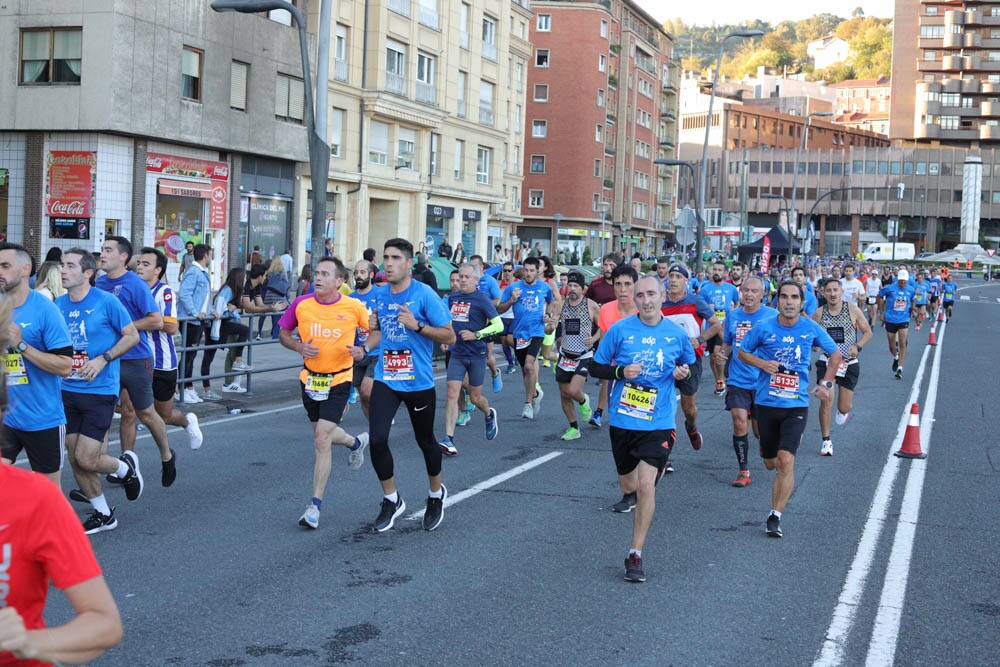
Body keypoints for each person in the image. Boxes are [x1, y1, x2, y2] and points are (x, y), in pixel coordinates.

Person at [591, 275, 696, 582]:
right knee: (629, 486)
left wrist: (682, 372)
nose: (646, 300)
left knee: (646, 485)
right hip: (623, 420)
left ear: (663, 296)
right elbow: (596, 366)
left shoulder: (675, 334)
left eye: (652, 294)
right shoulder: (620, 330)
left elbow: (688, 374)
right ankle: (635, 494)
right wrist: (620, 371)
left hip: (659, 421)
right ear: (633, 299)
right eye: (640, 295)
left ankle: (635, 553)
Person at [737, 280, 841, 538]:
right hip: (766, 403)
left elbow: (836, 354)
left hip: (796, 404)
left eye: (794, 297)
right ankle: (769, 450)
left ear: (802, 301)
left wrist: (826, 383)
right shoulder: (763, 327)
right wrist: (762, 363)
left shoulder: (810, 327)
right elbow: (742, 352)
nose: (789, 302)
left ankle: (775, 515)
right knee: (771, 462)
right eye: (784, 297)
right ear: (777, 301)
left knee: (786, 461)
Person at [277, 257, 373, 530]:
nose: (318, 278)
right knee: (323, 435)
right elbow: (283, 333)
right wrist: (298, 347)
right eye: (316, 273)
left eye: (325, 274)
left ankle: (314, 507)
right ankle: (355, 443)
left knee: (321, 439)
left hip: (340, 380)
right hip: (310, 379)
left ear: (339, 281)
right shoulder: (302, 304)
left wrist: (363, 349)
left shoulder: (353, 306)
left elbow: (373, 330)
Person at [367, 238, 455, 532]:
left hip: (418, 381)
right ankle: (392, 499)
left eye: (394, 258)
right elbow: (381, 334)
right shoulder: (380, 295)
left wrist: (417, 325)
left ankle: (435, 493)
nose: (388, 263)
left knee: (425, 441)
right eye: (385, 257)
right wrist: (371, 334)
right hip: (386, 377)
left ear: (408, 263)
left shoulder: (424, 294)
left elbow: (449, 336)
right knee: (377, 439)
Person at [56, 248, 143, 533]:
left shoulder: (107, 302)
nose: (63, 270)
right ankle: (104, 514)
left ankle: (124, 470)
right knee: (74, 455)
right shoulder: (57, 305)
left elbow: (132, 336)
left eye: (70, 265)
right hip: (66, 389)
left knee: (87, 457)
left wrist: (103, 358)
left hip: (99, 390)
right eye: (62, 265)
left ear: (87, 273)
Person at [97, 236, 176, 488]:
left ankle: (167, 454)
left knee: (145, 412)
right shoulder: (98, 284)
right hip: (107, 360)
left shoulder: (135, 284)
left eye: (108, 250)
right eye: (102, 249)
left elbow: (156, 321)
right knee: (105, 412)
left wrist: (125, 328)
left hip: (135, 357)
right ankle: (122, 467)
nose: (102, 254)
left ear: (123, 257)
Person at [0, 244, 73, 488]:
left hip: (42, 418)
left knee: (48, 495)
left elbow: (65, 366)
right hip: (6, 417)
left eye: (5, 266)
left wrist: (21, 345)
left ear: (25, 270)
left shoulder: (46, 310)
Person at [132, 247, 203, 451]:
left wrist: (138, 324)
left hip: (162, 363)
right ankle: (127, 460)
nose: (140, 267)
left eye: (146, 264)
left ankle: (187, 421)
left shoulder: (165, 292)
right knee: (128, 410)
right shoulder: (133, 289)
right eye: (139, 263)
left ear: (158, 270)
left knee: (165, 414)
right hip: (136, 361)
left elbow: (172, 327)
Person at [712, 275, 778, 487]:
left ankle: (764, 444)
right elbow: (728, 343)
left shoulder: (773, 316)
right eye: (745, 290)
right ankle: (743, 470)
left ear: (763, 295)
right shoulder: (733, 315)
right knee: (739, 421)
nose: (748, 294)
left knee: (760, 432)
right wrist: (722, 353)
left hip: (763, 381)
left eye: (753, 291)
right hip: (738, 379)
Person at [438, 263, 502, 455]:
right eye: (460, 277)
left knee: (475, 397)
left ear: (475, 280)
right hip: (457, 352)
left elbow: (498, 326)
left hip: (476, 354)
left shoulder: (482, 299)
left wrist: (477, 335)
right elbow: (448, 321)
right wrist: (446, 338)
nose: (462, 280)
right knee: (451, 393)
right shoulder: (453, 298)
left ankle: (489, 413)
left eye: (466, 277)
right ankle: (448, 439)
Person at [660, 264, 722, 459]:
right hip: (665, 361)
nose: (674, 279)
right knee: (662, 407)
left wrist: (701, 339)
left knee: (688, 408)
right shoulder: (660, 303)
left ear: (687, 281)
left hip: (690, 360)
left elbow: (716, 324)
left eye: (679, 276)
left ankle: (692, 427)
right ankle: (663, 454)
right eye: (671, 276)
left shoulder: (696, 301)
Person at [813, 277, 873, 456]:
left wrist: (858, 346)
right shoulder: (819, 313)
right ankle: (826, 441)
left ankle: (843, 410)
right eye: (828, 290)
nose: (832, 294)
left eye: (835, 290)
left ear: (842, 292)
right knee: (826, 398)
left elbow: (867, 332)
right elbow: (810, 335)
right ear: (823, 293)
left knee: (844, 407)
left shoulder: (852, 309)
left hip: (848, 363)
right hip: (827, 362)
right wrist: (814, 344)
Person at [498, 257, 555, 420]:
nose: (529, 274)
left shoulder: (545, 287)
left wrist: (548, 315)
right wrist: (511, 300)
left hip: (536, 331)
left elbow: (551, 302)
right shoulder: (514, 287)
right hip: (519, 333)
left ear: (537, 271)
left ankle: (528, 403)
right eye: (526, 270)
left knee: (530, 365)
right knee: (525, 370)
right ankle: (535, 393)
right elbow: (500, 309)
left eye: (532, 270)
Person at [553, 271, 601, 441]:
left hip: (583, 355)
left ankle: (583, 400)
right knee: (564, 393)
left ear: (583, 289)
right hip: (565, 355)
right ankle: (573, 427)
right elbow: (552, 326)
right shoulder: (561, 304)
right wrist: (550, 326)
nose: (572, 289)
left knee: (573, 391)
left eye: (576, 286)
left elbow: (603, 326)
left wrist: (594, 338)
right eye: (570, 286)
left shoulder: (591, 305)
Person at [595, 265, 639, 435]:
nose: (623, 289)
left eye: (628, 284)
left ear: (635, 285)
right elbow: (604, 343)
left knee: (644, 419)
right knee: (620, 421)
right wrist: (603, 368)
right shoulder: (606, 310)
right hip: (618, 372)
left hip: (642, 370)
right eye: (618, 284)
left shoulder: (644, 309)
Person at [204, 268, 252, 397]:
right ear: (239, 279)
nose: (246, 280)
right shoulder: (228, 290)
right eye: (244, 277)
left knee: (208, 358)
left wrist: (233, 309)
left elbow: (228, 307)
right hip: (216, 325)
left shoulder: (231, 290)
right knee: (207, 358)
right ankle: (237, 361)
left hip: (218, 324)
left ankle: (209, 388)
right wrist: (230, 310)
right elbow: (220, 305)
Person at [698, 260, 740, 397]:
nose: (716, 272)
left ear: (725, 273)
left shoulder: (731, 289)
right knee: (712, 357)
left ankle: (721, 380)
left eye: (719, 270)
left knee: (718, 352)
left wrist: (734, 310)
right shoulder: (705, 289)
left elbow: (737, 303)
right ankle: (719, 380)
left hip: (725, 326)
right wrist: (706, 309)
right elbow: (698, 306)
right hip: (711, 327)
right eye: (714, 269)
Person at [176, 243, 213, 404]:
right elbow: (184, 294)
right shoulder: (193, 272)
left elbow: (204, 298)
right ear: (205, 255)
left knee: (191, 354)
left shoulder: (201, 272)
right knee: (188, 354)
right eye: (210, 255)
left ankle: (188, 387)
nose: (211, 258)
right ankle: (183, 388)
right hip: (190, 320)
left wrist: (210, 312)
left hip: (197, 320)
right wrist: (194, 312)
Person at [349, 260, 381, 418]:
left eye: (362, 272)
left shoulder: (380, 295)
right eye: (356, 272)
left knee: (367, 391)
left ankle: (383, 414)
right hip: (356, 353)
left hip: (376, 352)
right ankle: (375, 427)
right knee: (363, 397)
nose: (358, 276)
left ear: (371, 275)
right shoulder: (349, 299)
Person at [468, 254, 503, 392]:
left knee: (488, 357)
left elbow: (498, 299)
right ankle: (471, 390)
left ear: (482, 267)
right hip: (471, 322)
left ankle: (495, 373)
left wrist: (485, 308)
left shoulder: (489, 281)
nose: (472, 269)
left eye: (475, 266)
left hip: (487, 321)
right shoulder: (469, 281)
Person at [878, 268, 916, 380]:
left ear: (907, 280)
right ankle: (896, 356)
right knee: (891, 345)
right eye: (901, 280)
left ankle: (900, 368)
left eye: (904, 281)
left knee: (903, 342)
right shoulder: (890, 288)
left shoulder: (911, 289)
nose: (903, 282)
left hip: (904, 319)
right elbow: (879, 296)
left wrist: (912, 308)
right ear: (897, 280)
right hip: (890, 319)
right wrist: (881, 312)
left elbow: (913, 298)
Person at [256, 256, 290, 340]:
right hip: (279, 295)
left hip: (269, 295)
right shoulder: (282, 271)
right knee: (277, 315)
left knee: (265, 314)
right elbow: (286, 283)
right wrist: (287, 296)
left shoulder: (270, 272)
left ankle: (259, 333)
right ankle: (275, 335)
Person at [497, 261, 518, 373]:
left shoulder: (518, 283)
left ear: (513, 271)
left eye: (509, 270)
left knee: (510, 339)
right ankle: (510, 363)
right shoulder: (499, 283)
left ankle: (519, 352)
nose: (507, 273)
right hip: (502, 315)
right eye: (505, 270)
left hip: (514, 316)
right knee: (503, 341)